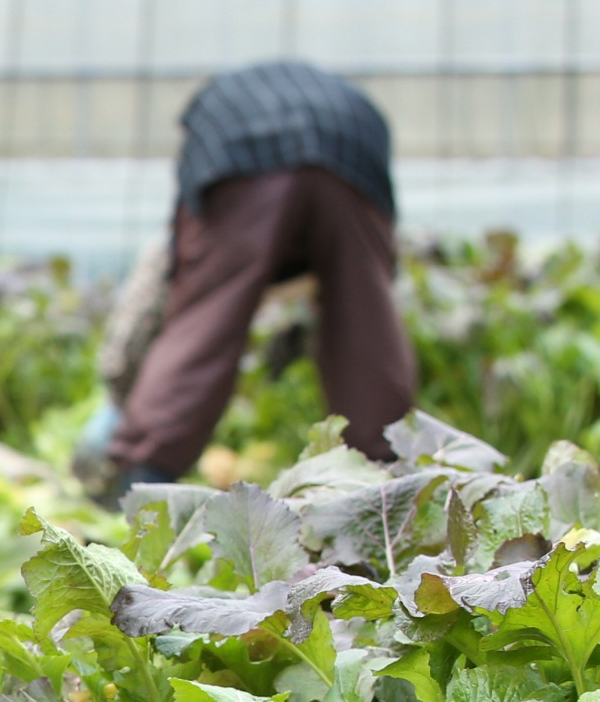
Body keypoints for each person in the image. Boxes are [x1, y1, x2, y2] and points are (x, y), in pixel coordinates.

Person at [79, 60, 417, 500]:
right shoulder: (335, 131)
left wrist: (123, 411)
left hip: (240, 154)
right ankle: (387, 487)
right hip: (350, 152)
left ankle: (143, 484)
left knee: (205, 320)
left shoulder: (207, 183)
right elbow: (375, 297)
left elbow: (168, 299)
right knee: (366, 322)